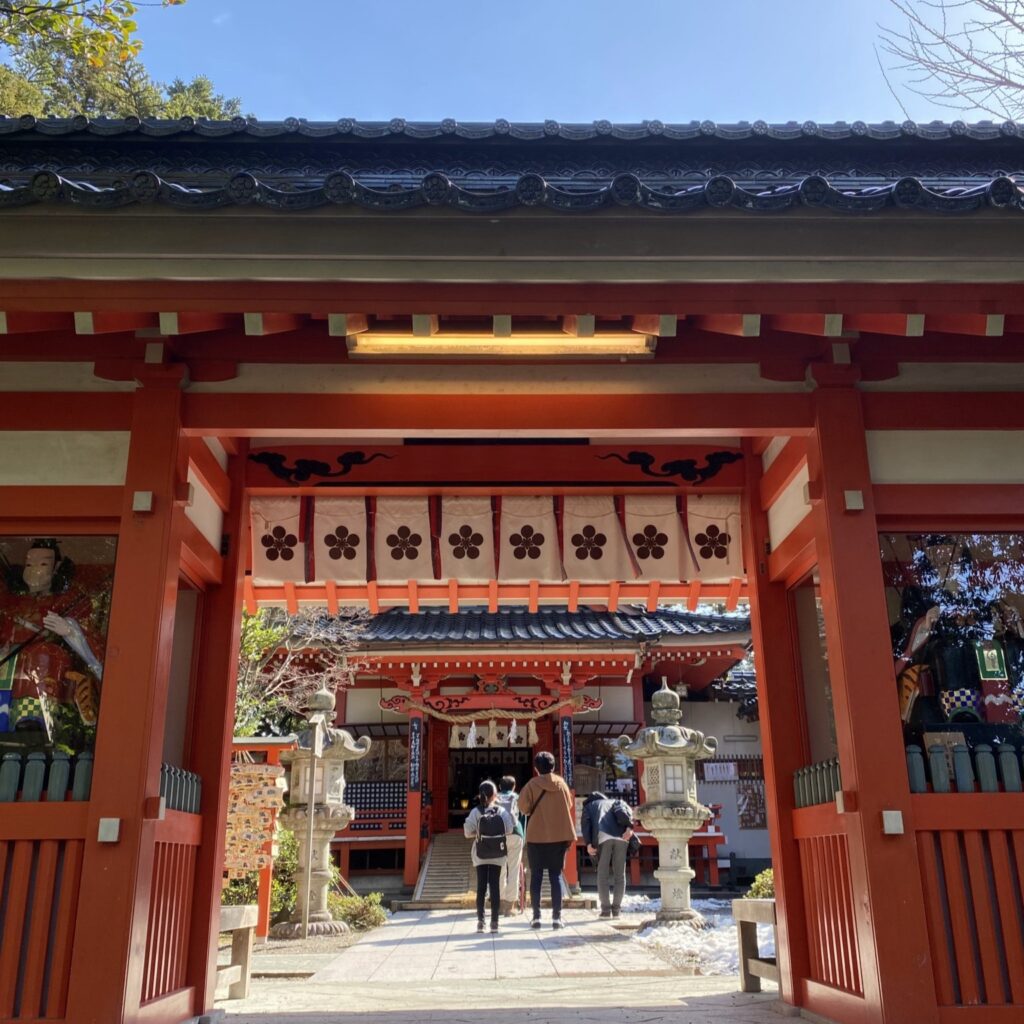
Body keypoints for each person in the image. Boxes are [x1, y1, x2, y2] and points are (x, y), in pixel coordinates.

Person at [0, 538, 103, 738]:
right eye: (29, 564)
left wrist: (69, 630)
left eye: (43, 564)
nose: (35, 569)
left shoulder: (69, 601)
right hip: (10, 656)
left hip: (44, 656)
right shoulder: (12, 603)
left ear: (56, 568)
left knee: (43, 655)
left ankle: (31, 716)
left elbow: (88, 637)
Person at [517, 751, 577, 930]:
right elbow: (570, 804)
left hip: (536, 836)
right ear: (553, 766)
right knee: (555, 875)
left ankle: (536, 917)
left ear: (536, 768)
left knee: (536, 876)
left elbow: (523, 807)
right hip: (559, 835)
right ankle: (557, 918)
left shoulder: (531, 785)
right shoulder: (561, 784)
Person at [463, 779, 515, 933]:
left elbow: (467, 833)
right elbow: (510, 829)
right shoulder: (501, 811)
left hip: (480, 853)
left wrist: (478, 833)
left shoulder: (476, 812)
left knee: (481, 887)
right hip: (498, 854)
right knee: (495, 887)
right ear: (494, 795)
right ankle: (494, 923)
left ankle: (480, 922)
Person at [581, 791, 634, 918]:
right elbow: (628, 814)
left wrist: (588, 844)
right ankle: (616, 910)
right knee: (620, 875)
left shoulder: (589, 806)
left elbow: (586, 825)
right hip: (622, 836)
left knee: (603, 874)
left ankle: (605, 911)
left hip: (603, 836)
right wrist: (629, 829)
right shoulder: (615, 802)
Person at [496, 775, 524, 916]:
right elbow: (523, 817)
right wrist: (523, 835)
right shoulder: (517, 797)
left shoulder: (494, 798)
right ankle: (510, 906)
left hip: (498, 835)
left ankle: (500, 905)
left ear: (499, 787)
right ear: (514, 786)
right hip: (515, 833)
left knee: (500, 870)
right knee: (513, 869)